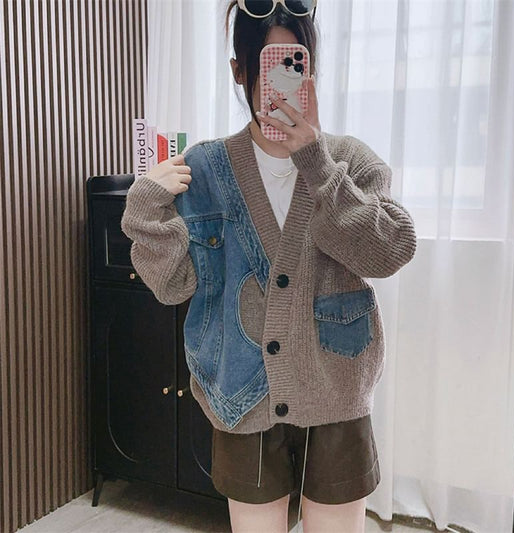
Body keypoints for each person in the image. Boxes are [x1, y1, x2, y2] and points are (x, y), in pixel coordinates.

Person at [120, 1, 417, 531]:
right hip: (241, 394)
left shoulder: (351, 160)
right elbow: (173, 286)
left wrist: (317, 163)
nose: (282, 83)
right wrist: (144, 211)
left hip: (336, 390)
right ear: (240, 71)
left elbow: (390, 251)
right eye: (268, 66)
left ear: (311, 69)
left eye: (295, 65)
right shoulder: (204, 168)